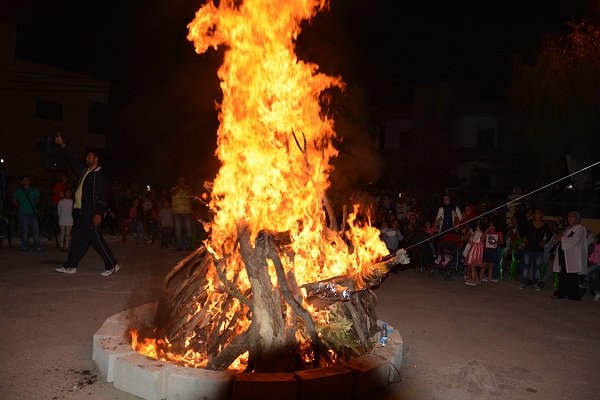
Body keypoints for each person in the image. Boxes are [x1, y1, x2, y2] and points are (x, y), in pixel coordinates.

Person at [53, 132, 120, 276]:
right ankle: (71, 266)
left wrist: (98, 213)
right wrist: (63, 146)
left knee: (96, 239)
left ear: (96, 159)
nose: (86, 158)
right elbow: (73, 160)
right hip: (80, 212)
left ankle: (112, 264)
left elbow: (103, 197)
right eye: (87, 156)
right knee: (78, 241)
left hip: (91, 213)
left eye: (89, 156)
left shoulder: (99, 176)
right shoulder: (85, 172)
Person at [551, 211, 588, 301]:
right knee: (564, 275)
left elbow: (575, 240)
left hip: (573, 256)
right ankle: (563, 292)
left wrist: (562, 238)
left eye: (572, 216)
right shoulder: (568, 229)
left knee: (572, 276)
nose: (569, 218)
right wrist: (559, 238)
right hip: (565, 254)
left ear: (577, 218)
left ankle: (572, 295)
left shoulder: (580, 228)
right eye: (568, 216)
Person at [520, 207, 553, 290]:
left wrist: (544, 242)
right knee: (526, 266)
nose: (535, 214)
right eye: (535, 213)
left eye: (538, 213)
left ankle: (536, 283)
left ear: (542, 215)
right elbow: (521, 231)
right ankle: (523, 282)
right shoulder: (529, 222)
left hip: (539, 249)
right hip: (529, 248)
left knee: (537, 267)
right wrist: (524, 238)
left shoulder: (545, 225)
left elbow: (550, 235)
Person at [12, 175, 42, 252]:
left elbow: (38, 197)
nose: (27, 181)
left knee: (36, 229)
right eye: (25, 180)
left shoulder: (34, 190)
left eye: (28, 179)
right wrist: (20, 206)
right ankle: (24, 246)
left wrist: (36, 202)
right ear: (22, 182)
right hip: (23, 213)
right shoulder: (19, 190)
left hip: (33, 212)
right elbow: (14, 200)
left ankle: (37, 246)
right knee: (24, 230)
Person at [170, 176, 193, 251]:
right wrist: (179, 187)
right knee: (178, 230)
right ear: (177, 181)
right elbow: (173, 193)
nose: (181, 181)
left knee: (188, 230)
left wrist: (186, 188)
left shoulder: (187, 189)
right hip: (177, 212)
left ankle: (189, 245)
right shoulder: (174, 189)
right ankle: (179, 246)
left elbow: (191, 194)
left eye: (183, 180)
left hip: (187, 212)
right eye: (180, 180)